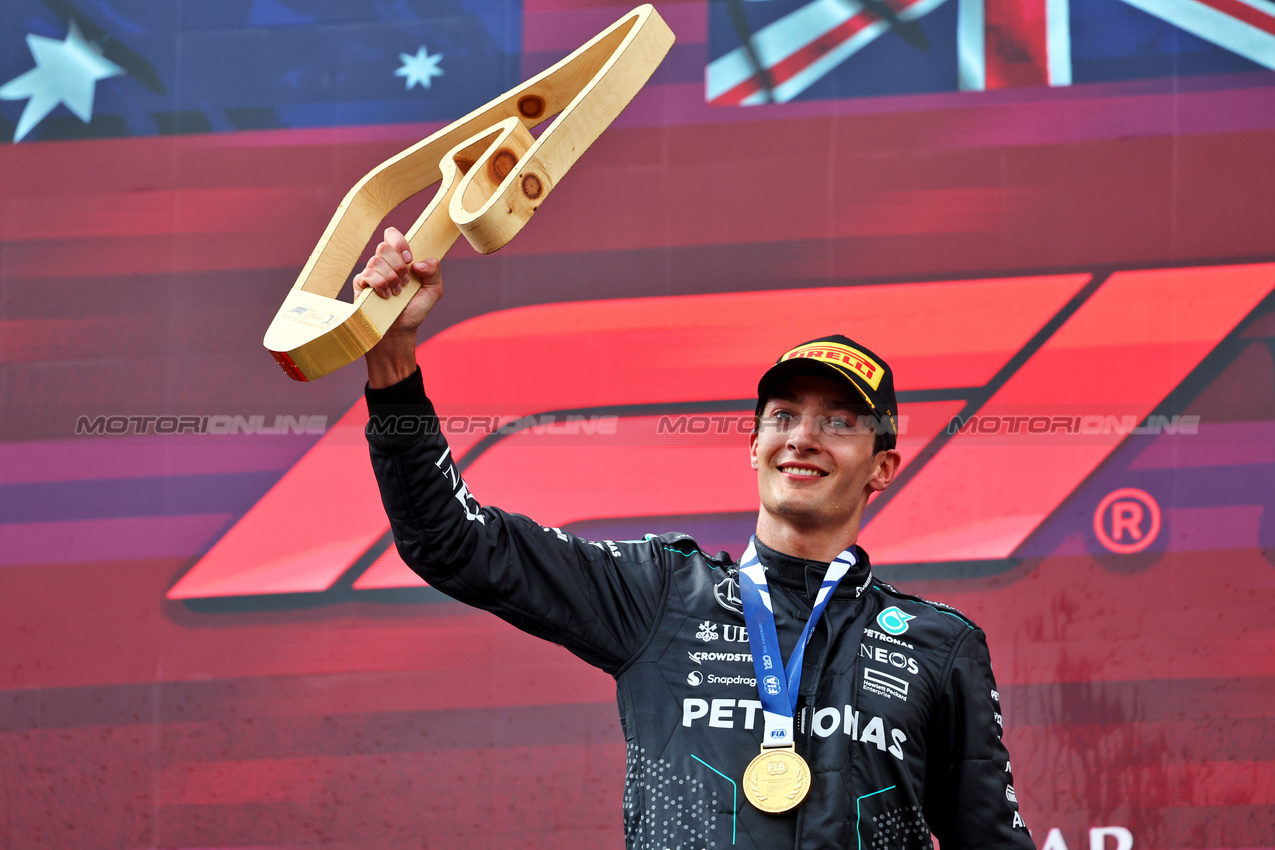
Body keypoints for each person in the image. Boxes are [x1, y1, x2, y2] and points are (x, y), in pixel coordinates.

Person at [354, 228, 1035, 849]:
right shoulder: (662, 593)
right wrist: (391, 361)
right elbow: (450, 540)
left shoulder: (937, 645)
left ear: (881, 467)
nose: (801, 437)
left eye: (837, 422)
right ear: (754, 445)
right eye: (783, 416)